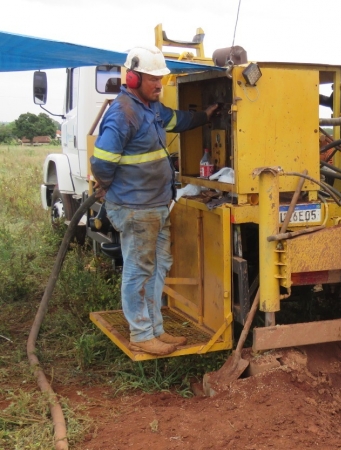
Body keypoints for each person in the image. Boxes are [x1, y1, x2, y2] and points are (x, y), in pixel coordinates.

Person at [91, 45, 218, 356]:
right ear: (133, 79)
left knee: (159, 265)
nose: (160, 85)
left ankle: (155, 329)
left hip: (156, 206)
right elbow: (103, 162)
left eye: (162, 79)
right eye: (153, 80)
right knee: (139, 268)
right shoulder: (125, 112)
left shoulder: (150, 108)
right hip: (136, 207)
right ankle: (140, 333)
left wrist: (205, 115)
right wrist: (106, 186)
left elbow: (177, 120)